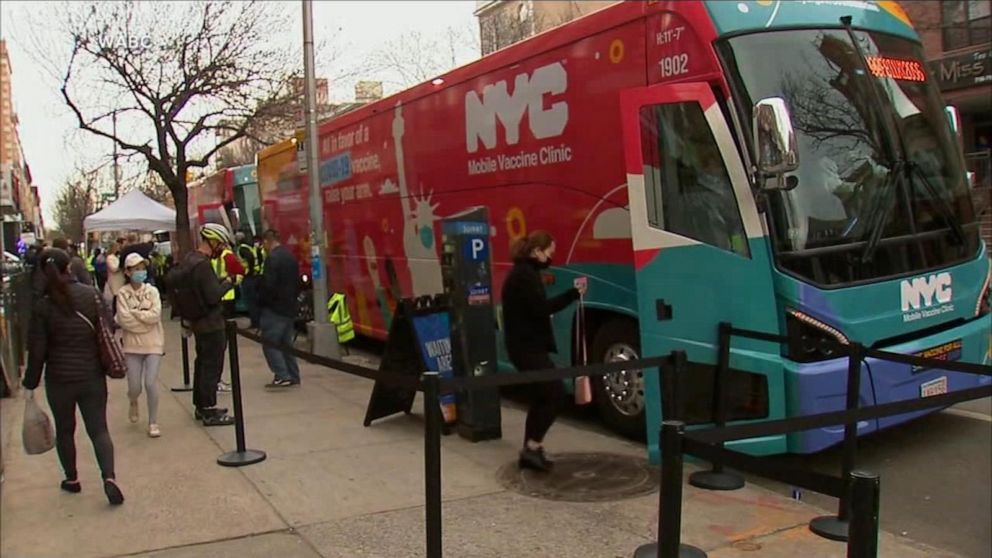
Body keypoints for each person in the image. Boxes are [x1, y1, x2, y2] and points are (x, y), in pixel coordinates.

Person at [21, 248, 125, 505]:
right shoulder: (90, 295)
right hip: (91, 376)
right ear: (70, 267)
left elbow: (37, 350)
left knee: (65, 430)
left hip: (59, 379)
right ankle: (109, 477)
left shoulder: (43, 306)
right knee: (98, 429)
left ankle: (72, 478)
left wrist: (30, 382)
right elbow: (108, 326)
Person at [501, 230, 586, 473]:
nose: (551, 257)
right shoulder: (525, 276)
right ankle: (532, 446)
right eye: (549, 252)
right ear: (537, 252)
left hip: (526, 346)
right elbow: (541, 309)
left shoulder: (525, 273)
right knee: (554, 394)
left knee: (542, 396)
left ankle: (531, 448)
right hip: (527, 348)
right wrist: (572, 294)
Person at [181, 224, 235, 426]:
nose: (221, 249)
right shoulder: (203, 265)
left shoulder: (190, 260)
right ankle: (210, 410)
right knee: (212, 367)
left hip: (198, 322)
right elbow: (212, 296)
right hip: (211, 324)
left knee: (202, 365)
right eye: (220, 244)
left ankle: (201, 407)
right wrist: (228, 282)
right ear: (212, 241)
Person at [116, 253, 165, 438]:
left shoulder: (152, 291)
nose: (140, 272)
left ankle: (153, 421)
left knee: (150, 383)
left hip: (154, 343)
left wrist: (138, 315)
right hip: (132, 346)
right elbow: (124, 319)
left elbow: (155, 315)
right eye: (136, 269)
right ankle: (133, 400)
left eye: (142, 268)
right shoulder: (123, 293)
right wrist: (141, 319)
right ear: (127, 272)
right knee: (135, 385)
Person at [258, 229, 302, 388]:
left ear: (267, 241)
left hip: (274, 309)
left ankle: (282, 375)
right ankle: (293, 375)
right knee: (286, 344)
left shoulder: (272, 259)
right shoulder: (290, 257)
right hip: (288, 306)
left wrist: (261, 301)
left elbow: (269, 285)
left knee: (270, 343)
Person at [211, 233, 245, 393]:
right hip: (225, 298)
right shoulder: (228, 255)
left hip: (216, 298)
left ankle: (216, 380)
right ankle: (216, 380)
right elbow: (240, 273)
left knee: (219, 342)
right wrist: (232, 282)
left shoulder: (213, 256)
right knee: (221, 342)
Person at [236, 232, 262, 329]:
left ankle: (255, 322)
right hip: (255, 276)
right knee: (254, 301)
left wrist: (249, 271)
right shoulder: (249, 247)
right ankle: (257, 321)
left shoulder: (242, 249)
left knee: (251, 301)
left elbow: (250, 259)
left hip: (249, 278)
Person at [103, 242, 127, 308]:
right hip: (115, 280)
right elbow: (114, 268)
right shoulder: (110, 258)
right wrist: (121, 265)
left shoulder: (117, 257)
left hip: (120, 279)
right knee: (116, 296)